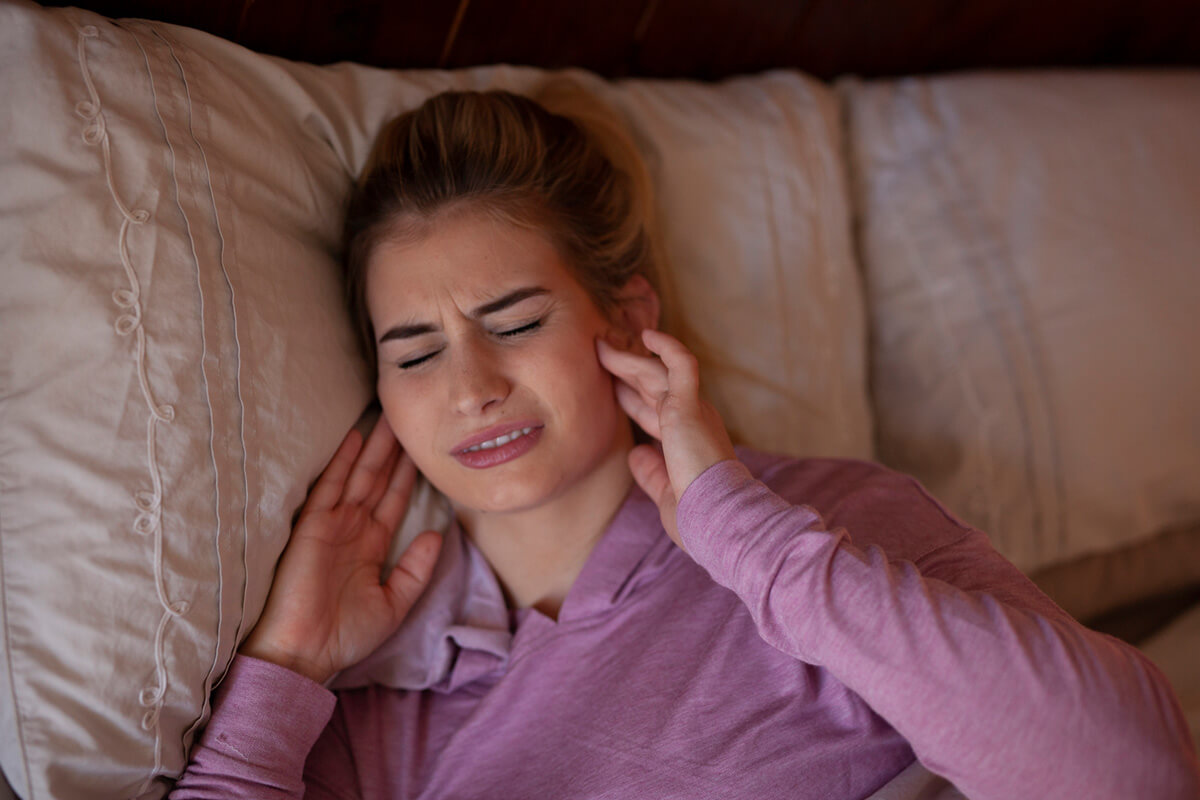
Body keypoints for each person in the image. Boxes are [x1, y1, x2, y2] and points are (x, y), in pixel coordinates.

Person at [171, 89, 1200, 800]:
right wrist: (288, 662)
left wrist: (745, 539)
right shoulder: (383, 702)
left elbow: (1136, 773)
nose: (474, 388)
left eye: (516, 321)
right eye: (416, 350)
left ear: (623, 321)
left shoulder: (820, 530)